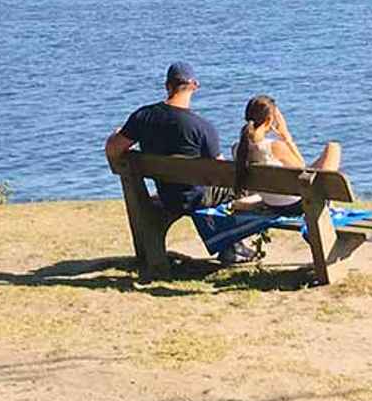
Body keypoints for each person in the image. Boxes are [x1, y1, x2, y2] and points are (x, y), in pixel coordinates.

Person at [103, 62, 254, 265]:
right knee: (240, 188)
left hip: (167, 195)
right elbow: (222, 174)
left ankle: (229, 246)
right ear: (194, 86)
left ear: (167, 86)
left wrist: (116, 133)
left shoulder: (142, 117)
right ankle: (232, 246)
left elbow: (113, 149)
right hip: (196, 197)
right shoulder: (202, 127)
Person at [231, 95, 342, 211]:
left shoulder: (237, 149)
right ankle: (328, 203)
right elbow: (302, 168)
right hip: (297, 204)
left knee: (317, 166)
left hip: (271, 202)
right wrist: (286, 136)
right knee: (333, 147)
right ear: (269, 120)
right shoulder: (275, 147)